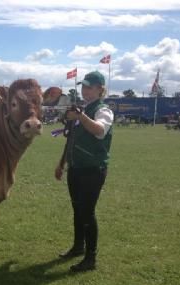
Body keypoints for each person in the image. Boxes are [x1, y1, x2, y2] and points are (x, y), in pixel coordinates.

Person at [54, 71, 114, 272]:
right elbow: (70, 138)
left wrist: (80, 115)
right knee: (78, 210)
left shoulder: (103, 110)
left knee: (87, 212)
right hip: (76, 167)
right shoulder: (82, 109)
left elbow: (99, 130)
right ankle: (78, 247)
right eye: (84, 86)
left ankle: (91, 258)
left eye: (90, 86)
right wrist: (61, 163)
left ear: (100, 89)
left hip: (93, 169)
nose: (85, 90)